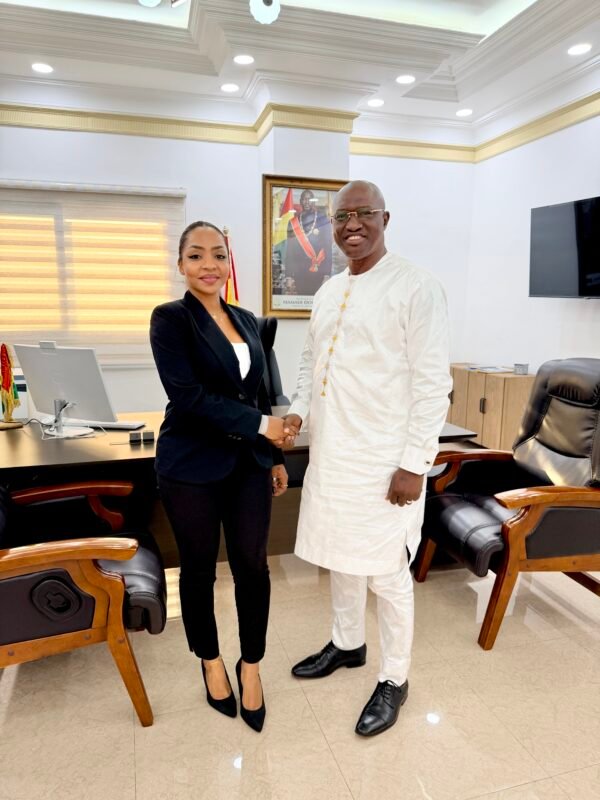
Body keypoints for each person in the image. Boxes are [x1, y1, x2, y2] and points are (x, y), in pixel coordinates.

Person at [283, 181, 452, 737]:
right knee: (341, 558)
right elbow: (310, 362)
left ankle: (395, 678)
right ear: (331, 225)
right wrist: (297, 413)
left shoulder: (417, 287)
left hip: (385, 461)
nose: (352, 225)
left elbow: (433, 386)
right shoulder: (328, 290)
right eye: (342, 217)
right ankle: (347, 643)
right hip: (333, 454)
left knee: (386, 573)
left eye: (364, 214)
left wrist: (415, 463)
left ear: (385, 218)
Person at [150, 221, 290, 733]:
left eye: (218, 254)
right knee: (198, 570)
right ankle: (210, 662)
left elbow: (259, 393)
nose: (208, 264)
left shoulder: (248, 320)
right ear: (181, 264)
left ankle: (251, 666)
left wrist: (274, 455)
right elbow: (189, 397)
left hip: (249, 464)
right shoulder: (171, 319)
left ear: (228, 262)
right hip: (191, 465)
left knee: (254, 566)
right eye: (196, 255)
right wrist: (261, 425)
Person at [283, 189, 333, 297]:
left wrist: (327, 274)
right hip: (299, 273)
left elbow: (328, 248)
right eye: (304, 199)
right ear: (300, 201)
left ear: (313, 202)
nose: (307, 202)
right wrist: (289, 276)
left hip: (319, 271)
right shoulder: (293, 222)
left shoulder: (323, 220)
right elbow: (290, 252)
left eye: (309, 199)